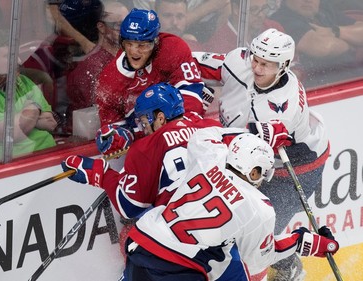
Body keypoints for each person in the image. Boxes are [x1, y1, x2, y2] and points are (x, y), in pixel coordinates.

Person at [193, 28, 330, 280]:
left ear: (284, 65)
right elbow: (190, 64)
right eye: (255, 59)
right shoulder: (239, 61)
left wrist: (198, 128)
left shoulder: (281, 109)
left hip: (295, 168)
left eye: (265, 64)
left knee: (257, 236)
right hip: (254, 158)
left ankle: (288, 269)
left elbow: (240, 147)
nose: (256, 68)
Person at [120, 127, 339, 280]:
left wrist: (254, 133)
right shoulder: (259, 207)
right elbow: (256, 261)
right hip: (179, 268)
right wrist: (302, 240)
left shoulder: (210, 157)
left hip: (142, 244)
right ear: (253, 171)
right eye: (262, 174)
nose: (263, 180)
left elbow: (204, 135)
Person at [62, 82, 221, 255]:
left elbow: (129, 207)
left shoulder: (146, 148)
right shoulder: (210, 127)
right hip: (221, 226)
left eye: (145, 122)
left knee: (130, 238)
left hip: (181, 239)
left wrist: (100, 172)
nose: (144, 130)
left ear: (160, 117)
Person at [95, 8, 206, 130]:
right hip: (146, 140)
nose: (134, 52)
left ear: (156, 41)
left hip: (182, 130)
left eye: (142, 45)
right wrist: (120, 137)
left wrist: (175, 129)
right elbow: (113, 130)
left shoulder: (172, 49)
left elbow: (191, 93)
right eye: (129, 44)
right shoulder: (109, 81)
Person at [0, 29, 57, 162]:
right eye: (9, 56)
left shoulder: (23, 81)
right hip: (12, 169)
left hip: (47, 155)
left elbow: (50, 123)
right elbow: (13, 133)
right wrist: (34, 107)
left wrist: (23, 118)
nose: (19, 61)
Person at [270, 0, 363, 88]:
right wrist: (351, 44)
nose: (308, 0)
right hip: (324, 88)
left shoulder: (324, 9)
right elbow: (322, 48)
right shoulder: (281, 19)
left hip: (354, 79)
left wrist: (335, 32)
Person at [66, 1, 129, 118]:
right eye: (119, 25)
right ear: (101, 27)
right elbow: (95, 114)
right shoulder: (91, 67)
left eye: (128, 24)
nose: (126, 30)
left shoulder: (130, 58)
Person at [202, 0, 285, 53]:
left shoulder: (274, 28)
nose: (261, 15)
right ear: (237, 10)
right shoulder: (219, 45)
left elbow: (293, 64)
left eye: (264, 8)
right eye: (254, 9)